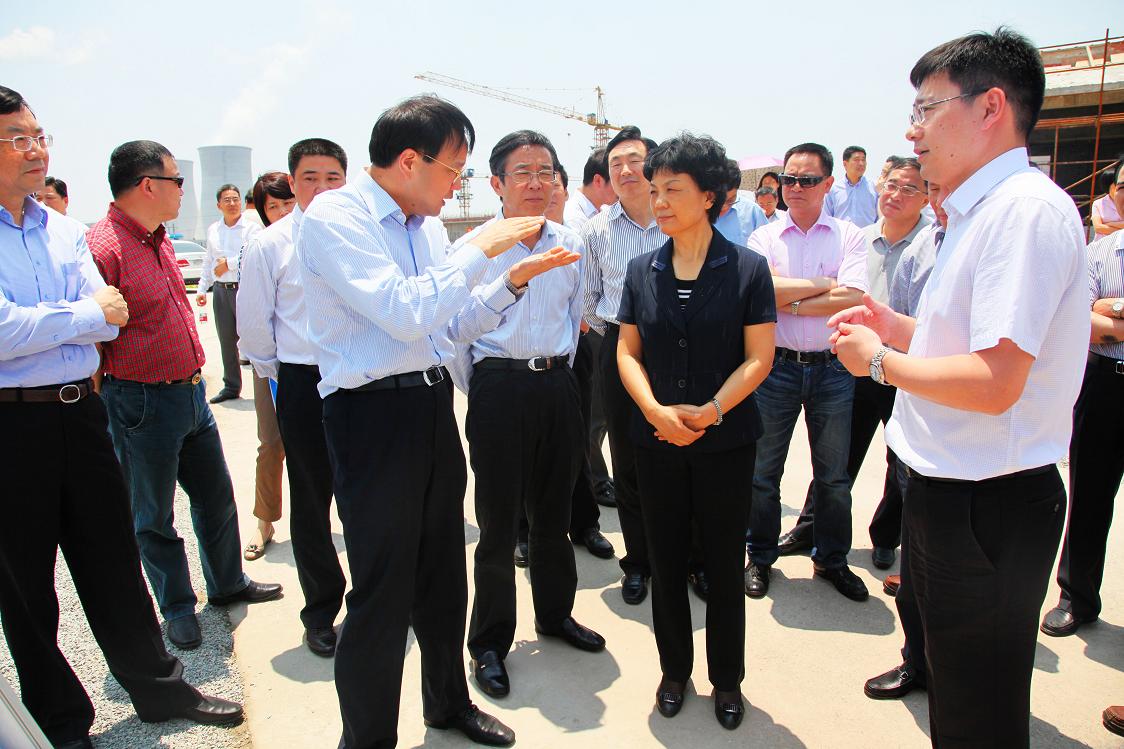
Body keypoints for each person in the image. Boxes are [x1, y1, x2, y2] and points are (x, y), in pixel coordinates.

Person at [830, 28, 1088, 746]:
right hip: (953, 487)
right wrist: (897, 326)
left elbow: (995, 380)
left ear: (990, 107)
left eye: (926, 109)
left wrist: (879, 360)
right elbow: (967, 345)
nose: (912, 131)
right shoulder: (982, 211)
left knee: (977, 714)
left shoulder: (1022, 212)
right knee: (957, 691)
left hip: (987, 501)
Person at [296, 94, 577, 749]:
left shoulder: (423, 229)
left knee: (444, 577)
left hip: (428, 404)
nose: (458, 185)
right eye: (454, 169)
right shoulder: (337, 217)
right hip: (370, 416)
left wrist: (511, 282)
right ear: (409, 161)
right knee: (382, 590)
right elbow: (404, 311)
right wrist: (482, 247)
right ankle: (367, 738)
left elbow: (447, 327)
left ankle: (447, 704)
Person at [0, 84, 243, 749]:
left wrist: (56, 324)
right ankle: (61, 722)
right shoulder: (90, 235)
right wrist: (80, 316)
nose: (36, 149)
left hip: (81, 413)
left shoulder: (62, 231)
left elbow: (107, 318)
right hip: (11, 426)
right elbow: (25, 326)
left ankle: (161, 690)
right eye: (18, 138)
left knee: (112, 560)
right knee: (26, 584)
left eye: (39, 135)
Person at [88, 140, 282, 653]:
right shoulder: (103, 248)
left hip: (191, 393)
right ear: (147, 186)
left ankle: (226, 584)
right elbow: (91, 337)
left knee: (216, 498)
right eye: (176, 180)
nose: (181, 190)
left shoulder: (159, 239)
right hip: (141, 403)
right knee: (154, 516)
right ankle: (176, 606)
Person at [617, 133, 775, 730]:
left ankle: (727, 680)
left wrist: (711, 411)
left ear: (709, 196)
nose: (658, 201)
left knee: (723, 563)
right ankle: (674, 671)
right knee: (664, 561)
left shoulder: (748, 269)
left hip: (725, 442)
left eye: (673, 190)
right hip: (655, 441)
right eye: (654, 190)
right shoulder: (642, 270)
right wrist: (655, 411)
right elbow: (626, 352)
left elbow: (759, 357)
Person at [452, 130, 603, 701]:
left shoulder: (572, 242)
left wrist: (559, 376)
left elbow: (574, 318)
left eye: (546, 171)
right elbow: (456, 331)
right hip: (500, 388)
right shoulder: (475, 249)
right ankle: (489, 642)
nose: (537, 183)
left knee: (554, 513)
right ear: (496, 183)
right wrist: (487, 385)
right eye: (523, 172)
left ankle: (556, 614)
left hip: (558, 386)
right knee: (496, 524)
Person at [779, 157, 930, 570]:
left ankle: (886, 537)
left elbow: (848, 295)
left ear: (925, 197)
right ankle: (810, 529)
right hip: (852, 363)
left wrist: (795, 304)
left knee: (900, 460)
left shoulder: (932, 243)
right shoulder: (858, 238)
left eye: (909, 189)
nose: (895, 195)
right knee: (837, 459)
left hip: (906, 366)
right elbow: (837, 293)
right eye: (891, 185)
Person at [743, 142, 870, 603]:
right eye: (788, 179)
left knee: (833, 477)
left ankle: (831, 559)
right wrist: (822, 288)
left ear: (828, 184)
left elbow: (853, 296)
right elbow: (760, 292)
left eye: (807, 180)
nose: (794, 188)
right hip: (775, 368)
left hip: (833, 369)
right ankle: (759, 557)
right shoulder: (764, 237)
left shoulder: (848, 235)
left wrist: (789, 300)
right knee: (762, 473)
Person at [238, 141, 349, 657]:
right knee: (311, 499)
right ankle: (321, 611)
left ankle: (375, 604)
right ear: (291, 181)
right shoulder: (271, 244)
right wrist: (281, 374)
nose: (322, 189)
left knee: (367, 495)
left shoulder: (361, 237)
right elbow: (254, 327)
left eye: (333, 178)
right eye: (310, 178)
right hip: (304, 381)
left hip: (358, 377)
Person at [863, 180, 947, 703]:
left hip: (970, 434)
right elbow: (907, 330)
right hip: (918, 410)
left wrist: (880, 359)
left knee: (952, 571)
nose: (940, 196)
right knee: (919, 551)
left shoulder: (1009, 229)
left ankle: (943, 669)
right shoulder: (924, 248)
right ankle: (917, 659)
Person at [1040, 159, 1124, 639]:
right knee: (1090, 494)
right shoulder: (1099, 252)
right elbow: (1080, 320)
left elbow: (1098, 314)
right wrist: (1105, 314)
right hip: (1104, 382)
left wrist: (1110, 308)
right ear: (1112, 193)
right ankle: (1077, 596)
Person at [582, 125, 664, 605]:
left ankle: (689, 558)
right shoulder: (596, 230)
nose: (626, 170)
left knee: (681, 452)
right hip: (619, 346)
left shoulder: (676, 216)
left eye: (635, 160)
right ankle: (638, 563)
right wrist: (618, 334)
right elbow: (589, 299)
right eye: (616, 164)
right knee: (627, 458)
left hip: (677, 346)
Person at [239, 171, 296, 561]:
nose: (281, 212)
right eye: (272, 206)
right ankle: (265, 521)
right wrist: (268, 366)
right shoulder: (259, 247)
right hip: (272, 365)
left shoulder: (318, 239)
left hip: (318, 363)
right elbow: (254, 319)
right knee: (272, 444)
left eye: (286, 203)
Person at [196, 183, 260, 404]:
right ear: (218, 205)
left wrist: (229, 264)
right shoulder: (214, 229)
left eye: (235, 199)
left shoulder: (251, 229)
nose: (232, 203)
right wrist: (202, 288)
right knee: (226, 341)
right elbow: (209, 261)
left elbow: (253, 254)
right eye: (227, 200)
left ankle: (264, 385)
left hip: (245, 289)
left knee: (254, 339)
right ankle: (231, 386)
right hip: (221, 292)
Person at [563, 146, 616, 233]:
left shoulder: (605, 211)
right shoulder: (572, 219)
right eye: (615, 181)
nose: (620, 187)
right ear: (598, 181)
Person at [826, 146, 879, 227]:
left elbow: (879, 218)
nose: (861, 163)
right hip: (841, 234)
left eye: (863, 160)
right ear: (845, 164)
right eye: (856, 160)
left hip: (868, 234)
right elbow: (827, 217)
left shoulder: (874, 187)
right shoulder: (833, 189)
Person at [1091, 163, 1123, 236]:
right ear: (1107, 186)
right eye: (1116, 186)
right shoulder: (1098, 204)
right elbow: (1098, 228)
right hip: (1103, 242)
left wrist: (1109, 224)